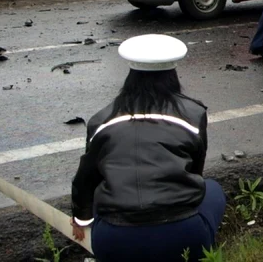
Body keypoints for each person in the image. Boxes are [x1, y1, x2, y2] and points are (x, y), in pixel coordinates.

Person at [69, 34, 226, 262]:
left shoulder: (101, 120)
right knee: (212, 189)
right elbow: (195, 172)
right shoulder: (193, 114)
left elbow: (86, 178)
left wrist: (82, 220)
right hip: (182, 236)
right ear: (173, 74)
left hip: (114, 240)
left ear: (130, 75)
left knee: (101, 197)